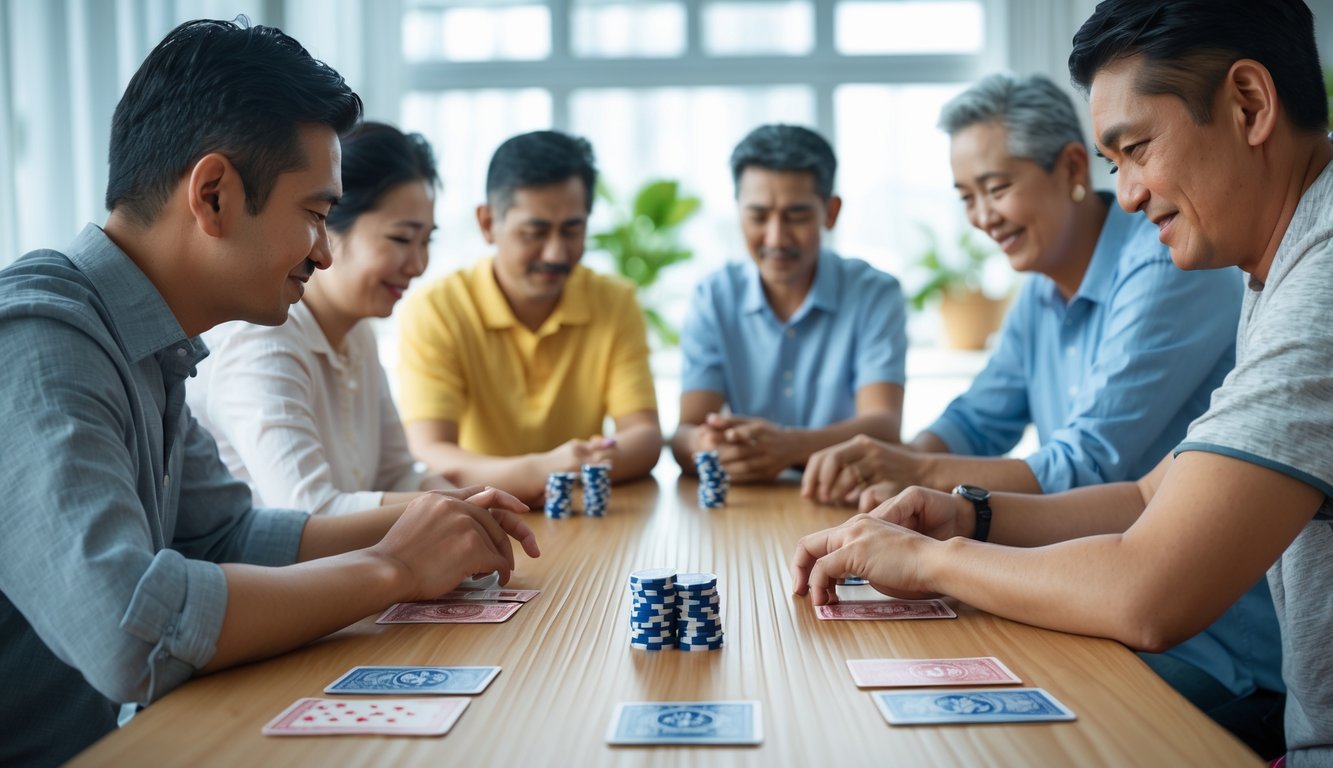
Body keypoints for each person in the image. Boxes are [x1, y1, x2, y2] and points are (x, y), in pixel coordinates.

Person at [791, 1, 1332, 762]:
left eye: (1137, 148)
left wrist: (927, 558)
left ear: (1248, 105)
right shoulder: (1274, 264)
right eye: (1119, 164)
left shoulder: (1315, 276)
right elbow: (1150, 493)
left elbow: (1148, 593)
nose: (1134, 193)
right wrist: (966, 516)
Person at [0, 20, 539, 766]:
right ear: (213, 195)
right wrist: (393, 569)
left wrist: (430, 520)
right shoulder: (36, 337)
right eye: (316, 216)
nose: (324, 250)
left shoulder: (156, 346)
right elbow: (128, 632)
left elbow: (224, 537)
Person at [803, 73, 1241, 508]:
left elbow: (1084, 462)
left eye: (996, 189)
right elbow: (976, 420)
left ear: (1072, 167)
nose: (982, 216)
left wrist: (914, 471)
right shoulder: (1040, 290)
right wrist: (901, 459)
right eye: (966, 198)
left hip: (1197, 572)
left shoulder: (1165, 260)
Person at [188, 121, 456, 515]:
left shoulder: (357, 332)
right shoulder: (262, 336)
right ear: (327, 225)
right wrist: (449, 508)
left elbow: (399, 474)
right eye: (401, 239)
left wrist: (462, 500)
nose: (418, 265)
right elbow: (309, 512)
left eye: (426, 241)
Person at [397, 130, 662, 505]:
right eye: (535, 232)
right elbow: (429, 452)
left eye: (572, 229)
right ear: (488, 223)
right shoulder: (439, 309)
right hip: (478, 517)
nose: (555, 253)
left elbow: (645, 436)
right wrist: (540, 471)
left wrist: (567, 467)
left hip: (582, 516)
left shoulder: (615, 301)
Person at [672, 124, 907, 483]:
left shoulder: (874, 293)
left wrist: (789, 446)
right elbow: (685, 432)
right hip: (746, 504)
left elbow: (885, 426)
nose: (776, 237)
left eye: (796, 215)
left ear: (830, 212)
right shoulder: (713, 296)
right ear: (738, 211)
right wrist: (708, 444)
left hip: (845, 502)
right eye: (758, 216)